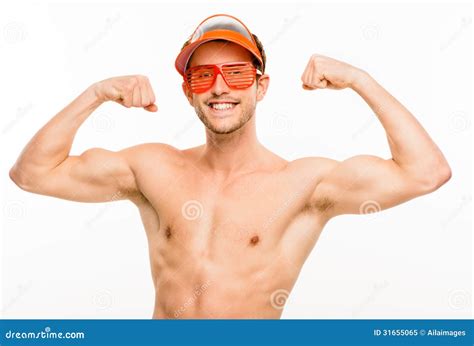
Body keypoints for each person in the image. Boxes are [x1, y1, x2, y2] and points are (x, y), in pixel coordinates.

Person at [9, 14, 451, 319]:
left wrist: (359, 78)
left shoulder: (303, 183)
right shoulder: (154, 169)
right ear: (188, 92)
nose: (220, 87)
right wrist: (96, 92)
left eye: (237, 74)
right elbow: (32, 174)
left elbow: (426, 172)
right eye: (203, 76)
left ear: (261, 87)